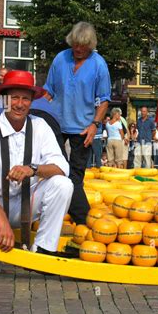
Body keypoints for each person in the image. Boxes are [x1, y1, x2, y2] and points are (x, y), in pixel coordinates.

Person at [0, 70, 73, 269]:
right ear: (4, 99)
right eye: (14, 98)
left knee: (63, 185)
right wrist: (0, 219)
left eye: (25, 99)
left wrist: (33, 169)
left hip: (24, 203)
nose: (20, 104)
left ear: (32, 101)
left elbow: (62, 167)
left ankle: (43, 250)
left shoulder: (40, 126)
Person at [44, 22, 110, 225]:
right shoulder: (60, 59)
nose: (78, 49)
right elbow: (48, 91)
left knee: (74, 177)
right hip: (56, 123)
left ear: (90, 46)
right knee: (55, 173)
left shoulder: (99, 64)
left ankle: (83, 221)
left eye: (83, 46)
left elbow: (104, 99)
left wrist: (95, 124)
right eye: (75, 45)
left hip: (83, 128)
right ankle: (76, 218)